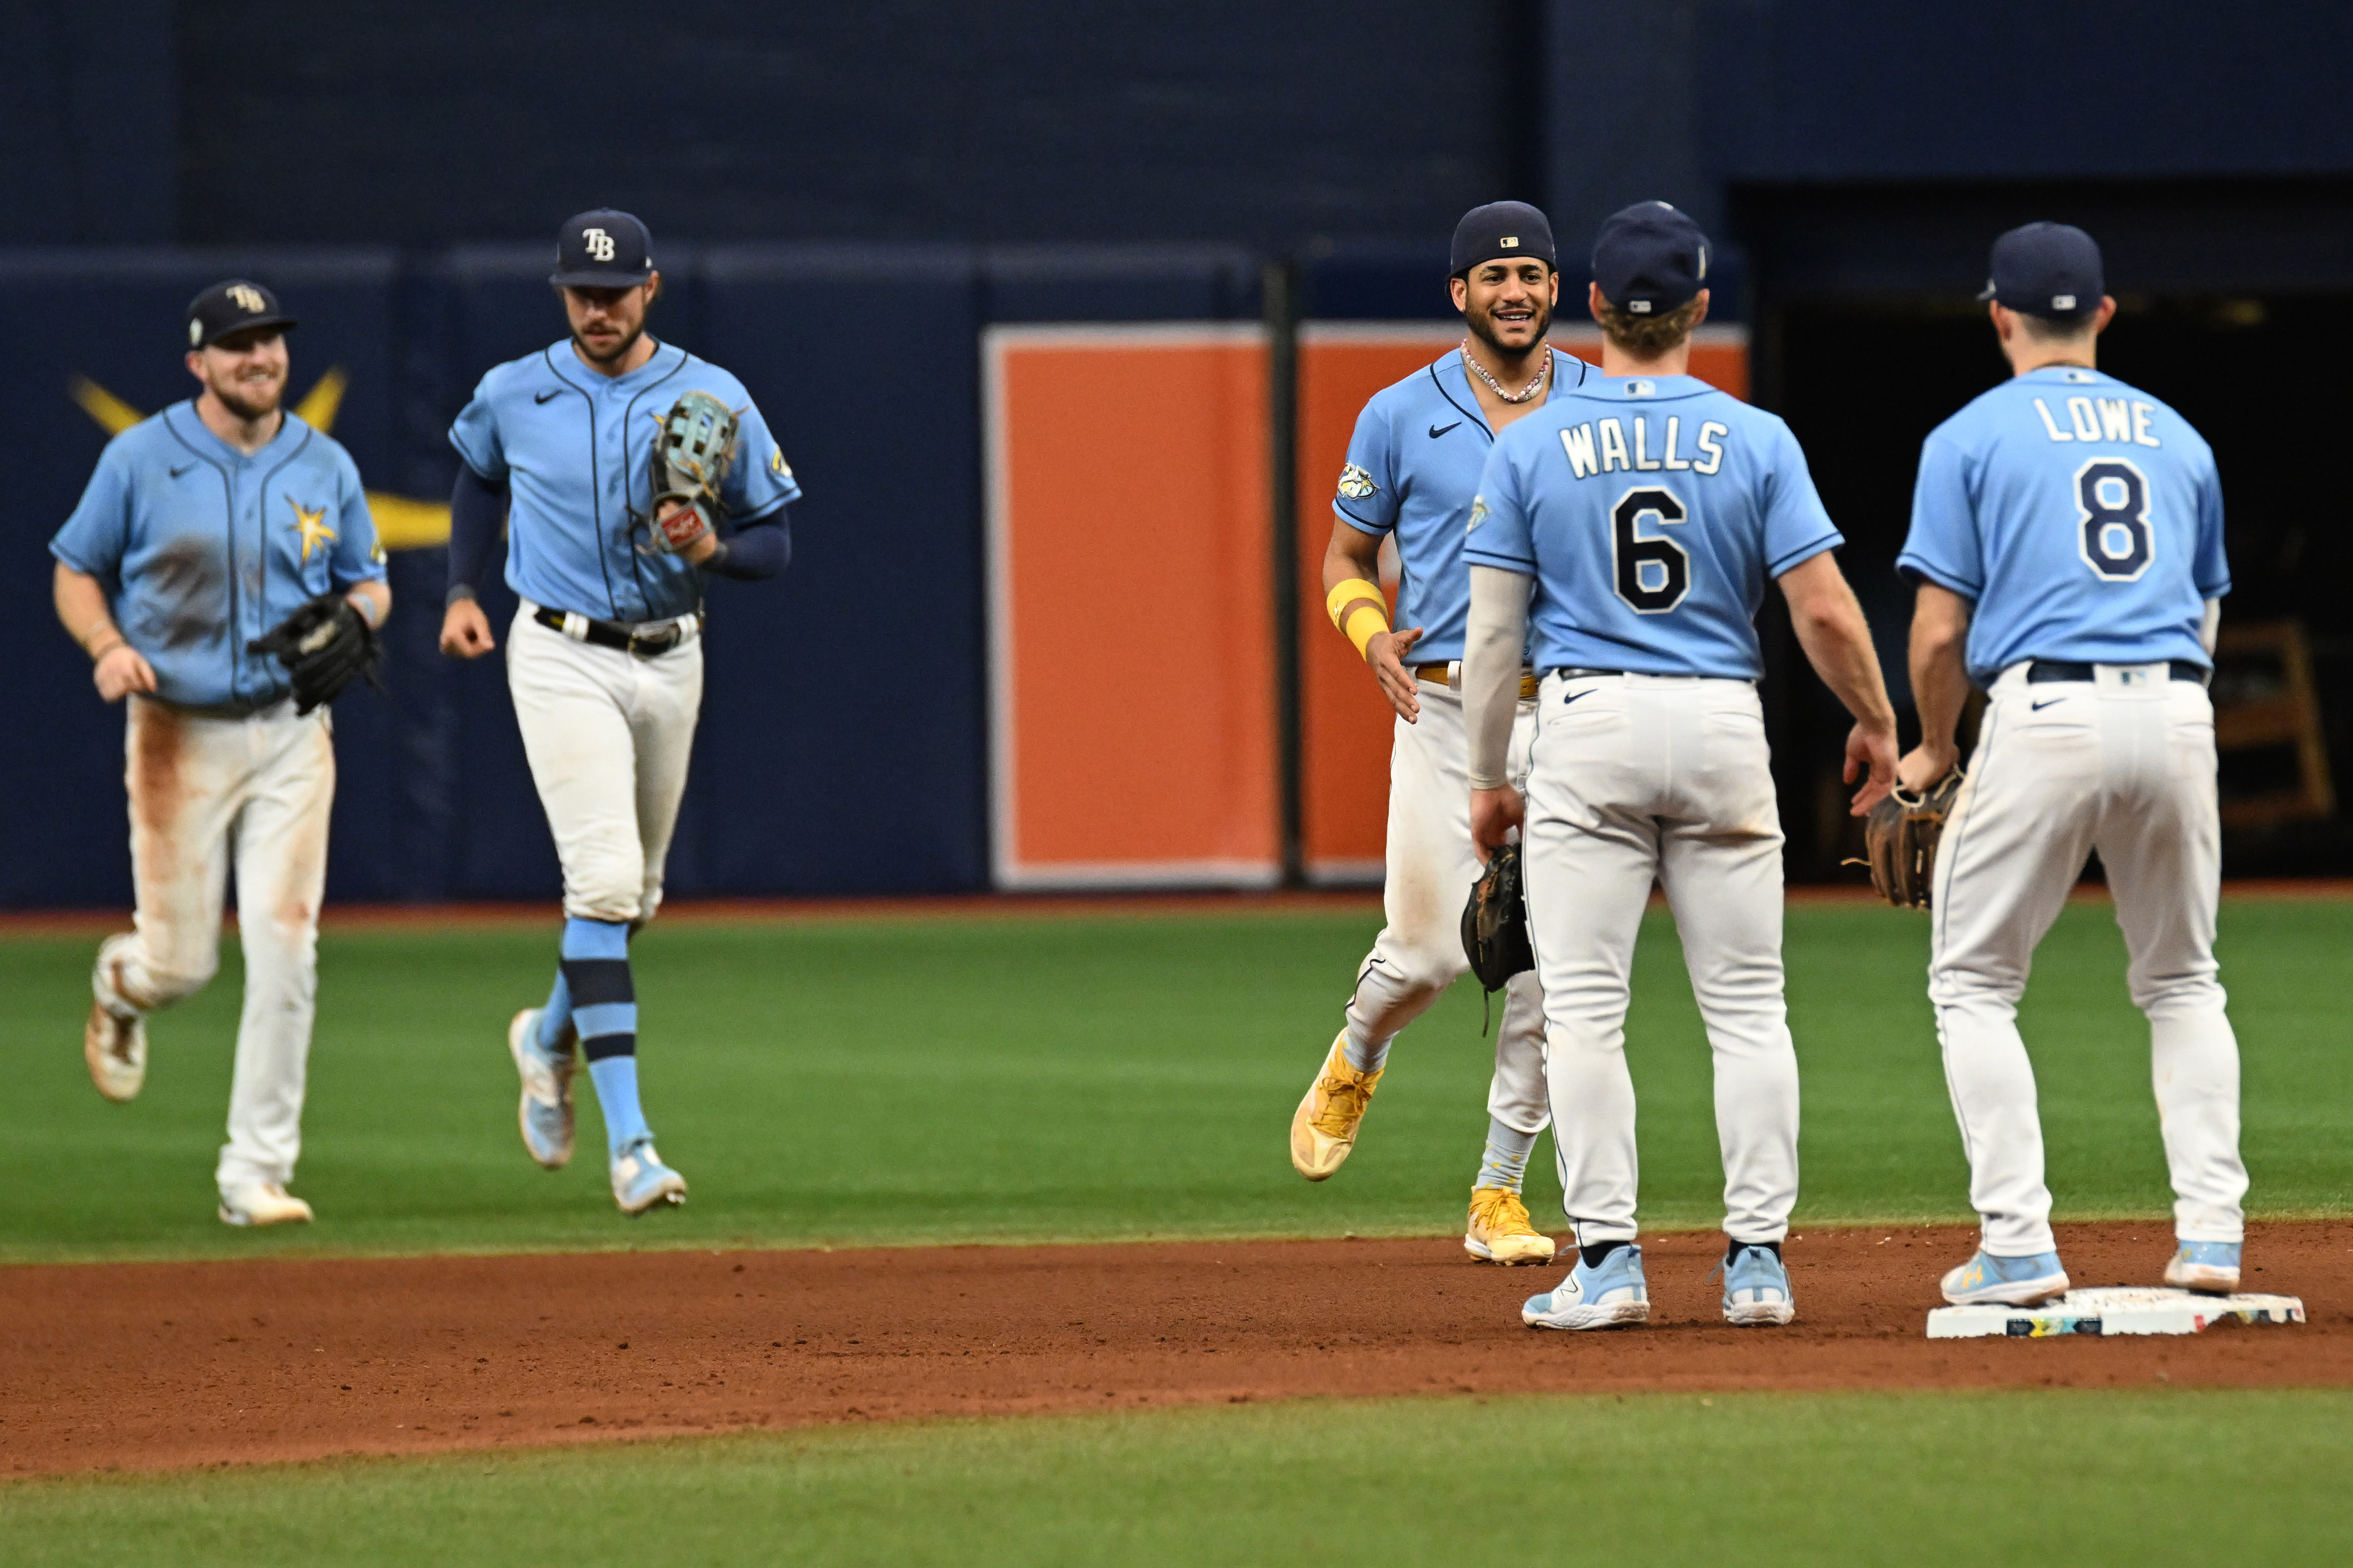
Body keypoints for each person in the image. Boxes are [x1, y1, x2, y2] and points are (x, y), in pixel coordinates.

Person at [1461, 202, 1899, 1329]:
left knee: (1586, 1013)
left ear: (1592, 306)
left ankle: (1607, 1263)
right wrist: (1876, 723)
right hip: (1716, 721)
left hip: (1590, 726)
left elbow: (1493, 638)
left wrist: (1485, 779)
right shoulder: (1754, 439)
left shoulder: (1528, 442)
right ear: (1700, 307)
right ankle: (1756, 1264)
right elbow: (1821, 609)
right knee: (1749, 1009)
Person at [1895, 222, 2246, 1307]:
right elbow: (2204, 608)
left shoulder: (1968, 435)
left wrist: (1936, 748)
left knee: (1973, 981)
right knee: (2182, 979)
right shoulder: (2179, 439)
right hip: (2177, 704)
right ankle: (2212, 1238)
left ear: (1996, 316)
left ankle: (2016, 1244)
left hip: (2046, 704)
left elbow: (1938, 633)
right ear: (2100, 313)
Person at [440, 210, 798, 1216]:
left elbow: (775, 538)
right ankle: (632, 1147)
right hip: (556, 651)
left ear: (651, 290)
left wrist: (712, 552)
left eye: (616, 291)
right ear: (562, 294)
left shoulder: (712, 395)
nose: (598, 308)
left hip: (670, 655)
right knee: (598, 887)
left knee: (634, 900)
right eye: (581, 292)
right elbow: (476, 473)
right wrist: (465, 592)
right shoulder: (515, 389)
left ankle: (545, 1036)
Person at [1289, 201, 1596, 1266]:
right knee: (1426, 953)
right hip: (1440, 706)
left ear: (1557, 290)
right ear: (1458, 292)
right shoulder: (1395, 412)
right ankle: (1359, 1048)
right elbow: (1340, 559)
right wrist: (1366, 632)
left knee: (1545, 969)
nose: (1514, 290)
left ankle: (1498, 1193)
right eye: (1493, 275)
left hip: (1566, 711)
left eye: (1532, 274)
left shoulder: (1603, 405)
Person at [50, 280, 391, 1227]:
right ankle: (124, 985)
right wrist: (108, 647)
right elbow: (75, 568)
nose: (261, 359)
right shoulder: (142, 457)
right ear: (198, 362)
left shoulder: (323, 462)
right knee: (183, 966)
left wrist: (356, 617)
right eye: (238, 345)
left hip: (290, 731)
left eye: (271, 341)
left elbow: (370, 582)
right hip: (178, 730)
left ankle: (254, 1175)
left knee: (288, 950)